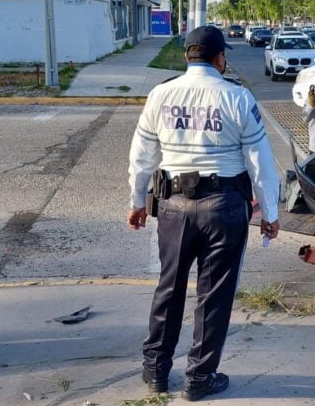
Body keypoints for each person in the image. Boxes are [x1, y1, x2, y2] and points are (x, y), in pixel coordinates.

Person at [127, 25, 280, 401]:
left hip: (174, 207)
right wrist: (271, 212)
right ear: (219, 57)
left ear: (186, 55)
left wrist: (135, 201)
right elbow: (260, 161)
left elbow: (141, 157)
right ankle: (199, 378)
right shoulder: (237, 97)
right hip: (224, 207)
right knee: (214, 296)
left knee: (169, 287)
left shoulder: (161, 95)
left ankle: (156, 372)